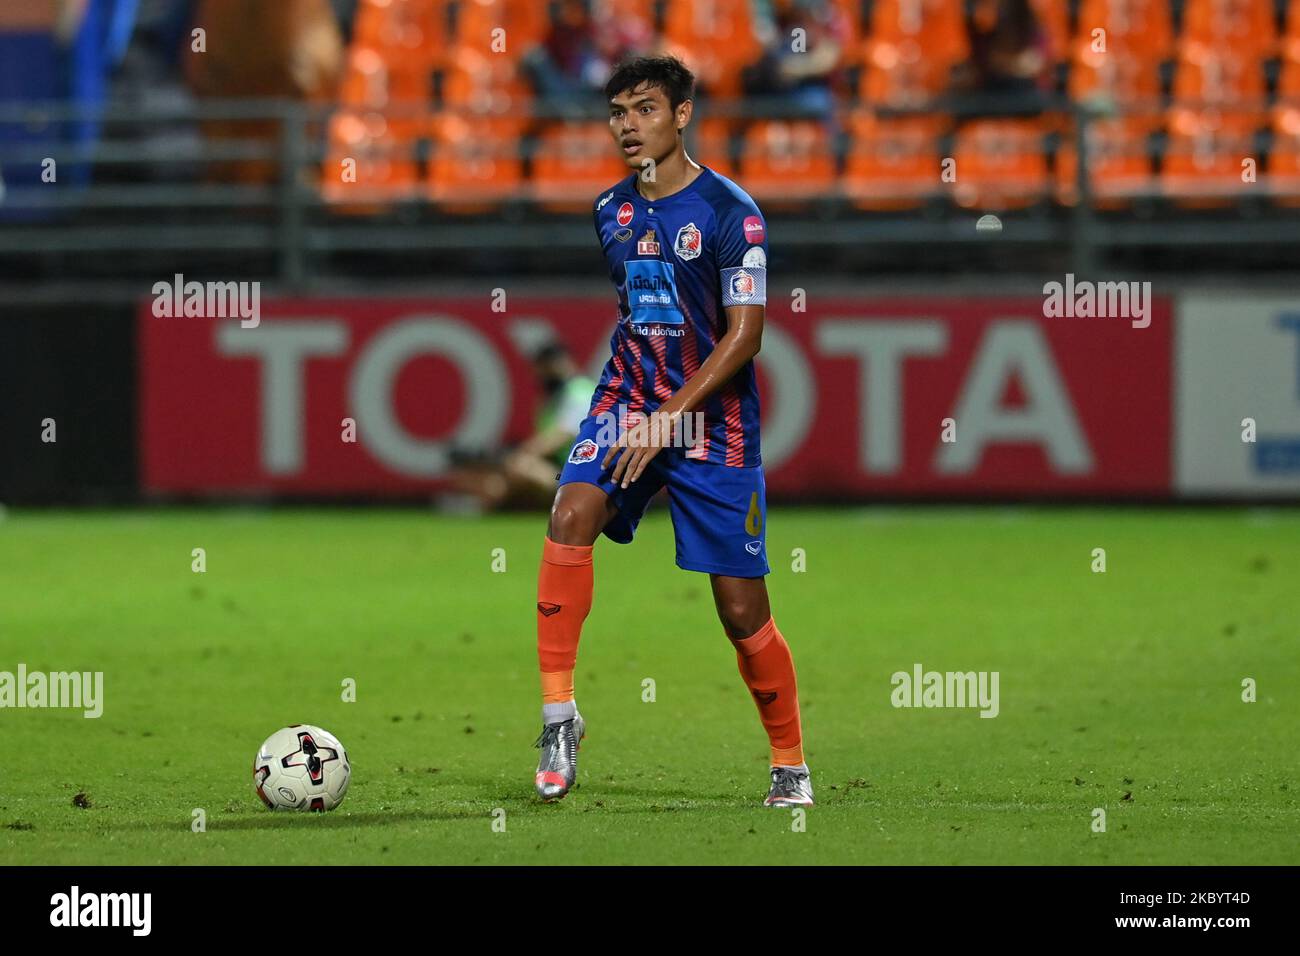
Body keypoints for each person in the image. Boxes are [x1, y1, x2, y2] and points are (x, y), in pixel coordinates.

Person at [530, 55, 812, 808]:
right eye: (618, 112)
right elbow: (640, 314)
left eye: (645, 109)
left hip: (712, 427)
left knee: (741, 611)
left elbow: (745, 335)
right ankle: (560, 719)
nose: (628, 125)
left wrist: (668, 418)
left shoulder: (730, 213)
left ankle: (789, 760)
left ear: (682, 115)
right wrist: (637, 413)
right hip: (627, 402)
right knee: (569, 514)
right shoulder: (608, 211)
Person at [443, 342, 596, 512]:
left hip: (575, 478)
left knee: (521, 466)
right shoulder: (553, 398)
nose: (543, 373)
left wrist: (504, 456)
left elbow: (559, 437)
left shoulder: (580, 393)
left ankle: (483, 505)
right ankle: (482, 504)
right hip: (557, 473)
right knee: (485, 480)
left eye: (548, 365)